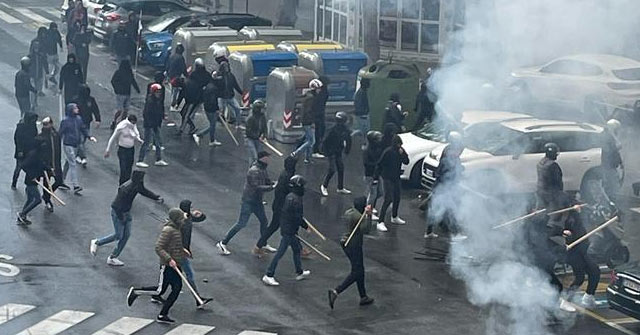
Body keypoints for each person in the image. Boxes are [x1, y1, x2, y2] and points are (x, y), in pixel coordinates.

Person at [90, 170, 163, 266]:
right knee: (118, 235)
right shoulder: (126, 189)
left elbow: (144, 191)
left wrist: (156, 197)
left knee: (126, 235)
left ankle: (113, 257)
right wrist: (121, 218)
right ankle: (97, 242)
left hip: (126, 212)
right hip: (118, 212)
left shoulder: (136, 185)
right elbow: (116, 206)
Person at [126, 207, 184, 324]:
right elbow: (159, 247)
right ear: (177, 219)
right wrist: (169, 259)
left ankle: (163, 314)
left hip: (175, 265)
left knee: (176, 289)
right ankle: (136, 292)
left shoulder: (176, 229)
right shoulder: (168, 230)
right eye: (181, 218)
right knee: (160, 290)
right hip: (167, 266)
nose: (183, 220)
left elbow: (173, 245)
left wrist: (182, 251)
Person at [217, 151, 275, 255]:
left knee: (264, 221)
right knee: (241, 223)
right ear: (263, 158)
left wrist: (273, 183)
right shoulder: (254, 170)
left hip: (257, 201)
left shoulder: (262, 169)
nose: (269, 160)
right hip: (249, 201)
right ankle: (223, 242)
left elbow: (266, 181)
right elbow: (256, 187)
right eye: (267, 157)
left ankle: (263, 243)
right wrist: (271, 187)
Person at [262, 175, 311, 286]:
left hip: (288, 228)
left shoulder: (290, 196)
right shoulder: (296, 200)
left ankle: (299, 272)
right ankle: (269, 274)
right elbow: (297, 217)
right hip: (290, 230)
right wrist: (306, 227)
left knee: (297, 250)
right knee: (280, 252)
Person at [328, 196, 375, 309]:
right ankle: (336, 291)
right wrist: (368, 215)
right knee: (357, 272)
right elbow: (366, 230)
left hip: (345, 242)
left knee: (360, 269)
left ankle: (363, 296)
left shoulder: (349, 212)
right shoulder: (359, 217)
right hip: (354, 245)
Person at [255, 155, 298, 256]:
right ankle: (299, 249)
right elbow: (286, 193)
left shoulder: (285, 174)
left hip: (279, 205)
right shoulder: (288, 176)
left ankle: (259, 245)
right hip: (282, 207)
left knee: (275, 226)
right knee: (287, 228)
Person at [561, 198, 600, 307]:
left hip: (582, 250)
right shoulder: (568, 219)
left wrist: (576, 208)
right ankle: (566, 301)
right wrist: (574, 211)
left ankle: (589, 297)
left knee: (595, 272)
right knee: (580, 277)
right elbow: (573, 227)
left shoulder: (575, 216)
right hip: (573, 253)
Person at [425, 131, 465, 240]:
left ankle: (429, 232)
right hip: (445, 188)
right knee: (451, 210)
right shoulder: (448, 158)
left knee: (437, 209)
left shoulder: (450, 154)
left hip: (443, 187)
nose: (460, 153)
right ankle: (455, 234)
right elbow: (445, 174)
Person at [59, 103, 95, 194]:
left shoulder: (78, 119)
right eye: (75, 108)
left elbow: (83, 128)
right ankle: (75, 185)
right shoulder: (65, 121)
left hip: (76, 144)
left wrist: (89, 136)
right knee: (73, 164)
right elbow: (60, 133)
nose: (77, 109)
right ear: (71, 110)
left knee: (69, 162)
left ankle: (61, 180)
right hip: (68, 144)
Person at [376, 135, 409, 232]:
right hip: (387, 177)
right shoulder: (388, 152)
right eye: (398, 144)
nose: (399, 146)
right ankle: (380, 221)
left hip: (396, 177)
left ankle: (394, 216)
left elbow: (406, 161)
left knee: (397, 197)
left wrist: (403, 154)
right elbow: (380, 164)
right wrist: (376, 178)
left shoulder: (400, 151)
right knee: (388, 198)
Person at [38, 117, 67, 212]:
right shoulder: (41, 137)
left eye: (48, 124)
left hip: (56, 163)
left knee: (59, 181)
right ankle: (47, 200)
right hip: (47, 164)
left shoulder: (55, 135)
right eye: (45, 124)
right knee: (47, 183)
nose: (47, 126)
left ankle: (47, 195)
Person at [320, 112, 352, 196]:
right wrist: (326, 152)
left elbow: (349, 140)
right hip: (331, 152)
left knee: (341, 168)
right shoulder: (333, 130)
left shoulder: (344, 129)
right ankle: (324, 186)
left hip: (338, 151)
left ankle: (340, 188)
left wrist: (347, 150)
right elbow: (325, 141)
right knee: (332, 169)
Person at [16, 138, 48, 225]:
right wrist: (31, 175)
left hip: (33, 180)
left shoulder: (39, 154)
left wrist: (49, 169)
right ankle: (22, 214)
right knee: (37, 200)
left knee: (30, 199)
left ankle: (22, 216)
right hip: (31, 181)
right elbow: (23, 165)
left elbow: (41, 165)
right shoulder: (33, 155)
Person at [105, 114, 143, 185]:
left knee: (129, 168)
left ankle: (127, 184)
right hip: (123, 150)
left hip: (131, 150)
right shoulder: (121, 127)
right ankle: (122, 184)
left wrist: (139, 140)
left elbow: (136, 134)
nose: (133, 124)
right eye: (133, 123)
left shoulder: (133, 127)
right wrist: (108, 150)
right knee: (123, 168)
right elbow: (112, 138)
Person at [137, 84, 168, 168]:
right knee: (147, 142)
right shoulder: (151, 101)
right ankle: (140, 160)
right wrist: (150, 124)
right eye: (157, 92)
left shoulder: (156, 100)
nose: (159, 93)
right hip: (150, 125)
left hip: (155, 124)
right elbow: (147, 114)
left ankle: (158, 159)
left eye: (159, 92)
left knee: (157, 142)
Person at [291, 79, 322, 163]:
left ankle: (308, 158)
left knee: (309, 139)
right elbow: (309, 111)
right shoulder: (311, 98)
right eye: (318, 88)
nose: (320, 90)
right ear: (314, 89)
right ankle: (296, 153)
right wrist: (312, 122)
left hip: (306, 121)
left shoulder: (308, 96)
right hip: (308, 122)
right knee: (311, 141)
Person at [179, 58, 209, 135]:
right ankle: (185, 127)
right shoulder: (206, 74)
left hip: (194, 98)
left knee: (186, 114)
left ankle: (184, 128)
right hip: (195, 97)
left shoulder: (194, 75)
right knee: (185, 113)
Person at [193, 72, 222, 146]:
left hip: (207, 107)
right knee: (213, 125)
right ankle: (208, 139)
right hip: (211, 109)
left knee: (212, 124)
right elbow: (213, 100)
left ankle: (207, 137)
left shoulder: (208, 85)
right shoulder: (214, 88)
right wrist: (217, 109)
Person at [76, 85, 101, 167]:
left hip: (86, 122)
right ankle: (83, 157)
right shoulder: (76, 100)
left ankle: (78, 154)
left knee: (83, 139)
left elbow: (95, 109)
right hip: (78, 123)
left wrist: (98, 119)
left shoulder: (91, 100)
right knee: (81, 140)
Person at [111, 60, 140, 129]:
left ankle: (122, 123)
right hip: (121, 94)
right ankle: (114, 121)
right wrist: (117, 89)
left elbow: (133, 81)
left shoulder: (128, 73)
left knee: (126, 110)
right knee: (120, 110)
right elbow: (113, 81)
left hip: (127, 93)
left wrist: (137, 89)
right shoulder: (119, 72)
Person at [12, 113, 38, 190]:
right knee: (19, 167)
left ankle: (28, 183)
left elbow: (35, 137)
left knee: (29, 168)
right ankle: (14, 182)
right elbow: (17, 139)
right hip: (22, 151)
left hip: (30, 150)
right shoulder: (21, 128)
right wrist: (20, 150)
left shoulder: (33, 126)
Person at [363, 130, 384, 222]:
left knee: (380, 193)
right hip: (370, 175)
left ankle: (371, 206)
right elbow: (367, 163)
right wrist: (377, 165)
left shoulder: (377, 149)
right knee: (373, 194)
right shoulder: (367, 150)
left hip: (377, 174)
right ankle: (368, 212)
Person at [536, 142, 563, 212]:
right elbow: (558, 181)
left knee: (542, 212)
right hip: (550, 195)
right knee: (554, 213)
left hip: (540, 193)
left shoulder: (540, 162)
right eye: (555, 153)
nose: (557, 155)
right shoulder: (553, 165)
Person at [601, 119, 622, 202]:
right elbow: (608, 151)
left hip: (612, 165)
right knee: (612, 185)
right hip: (609, 166)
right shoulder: (606, 137)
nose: (618, 131)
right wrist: (617, 146)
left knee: (613, 184)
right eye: (617, 129)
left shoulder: (611, 136)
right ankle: (612, 203)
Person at [217, 61, 243, 125]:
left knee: (237, 108)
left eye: (227, 67)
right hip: (222, 97)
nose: (226, 68)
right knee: (221, 112)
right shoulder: (219, 76)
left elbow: (235, 85)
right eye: (225, 67)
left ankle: (238, 123)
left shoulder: (231, 76)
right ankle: (222, 123)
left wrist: (241, 93)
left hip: (230, 97)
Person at [244, 99, 267, 164]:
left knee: (260, 156)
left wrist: (265, 135)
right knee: (253, 157)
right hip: (250, 139)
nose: (263, 110)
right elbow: (248, 132)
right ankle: (251, 171)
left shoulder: (262, 116)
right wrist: (257, 137)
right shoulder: (250, 118)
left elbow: (265, 127)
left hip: (258, 138)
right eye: (262, 109)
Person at [312, 76, 330, 157]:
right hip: (319, 115)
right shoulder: (323, 93)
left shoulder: (318, 93)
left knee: (316, 133)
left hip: (318, 115)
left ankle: (314, 148)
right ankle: (315, 150)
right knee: (318, 133)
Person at [166, 43, 187, 111]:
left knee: (173, 91)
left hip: (170, 76)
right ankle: (173, 105)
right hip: (176, 77)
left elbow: (167, 65)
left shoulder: (172, 56)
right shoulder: (180, 58)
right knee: (175, 92)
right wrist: (187, 76)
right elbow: (183, 68)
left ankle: (173, 104)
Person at [352, 78, 370, 147]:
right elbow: (359, 106)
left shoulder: (361, 92)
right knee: (363, 131)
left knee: (363, 131)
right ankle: (364, 144)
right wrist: (364, 114)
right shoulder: (361, 93)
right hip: (362, 115)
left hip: (362, 115)